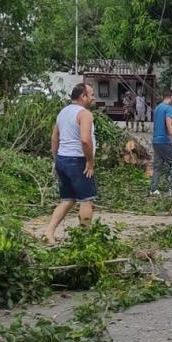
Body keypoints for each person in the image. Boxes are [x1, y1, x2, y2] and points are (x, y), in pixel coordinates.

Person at [44, 83, 97, 245]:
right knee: (87, 200)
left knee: (68, 199)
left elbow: (54, 138)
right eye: (91, 94)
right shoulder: (84, 114)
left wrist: (56, 160)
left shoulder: (63, 112)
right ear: (83, 96)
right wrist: (89, 161)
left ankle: (49, 232)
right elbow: (85, 140)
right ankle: (83, 239)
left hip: (62, 159)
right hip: (77, 160)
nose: (93, 97)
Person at [150, 91, 172, 195]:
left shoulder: (157, 108)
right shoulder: (169, 108)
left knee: (157, 166)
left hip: (156, 140)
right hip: (164, 140)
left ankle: (153, 189)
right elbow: (168, 125)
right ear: (171, 97)